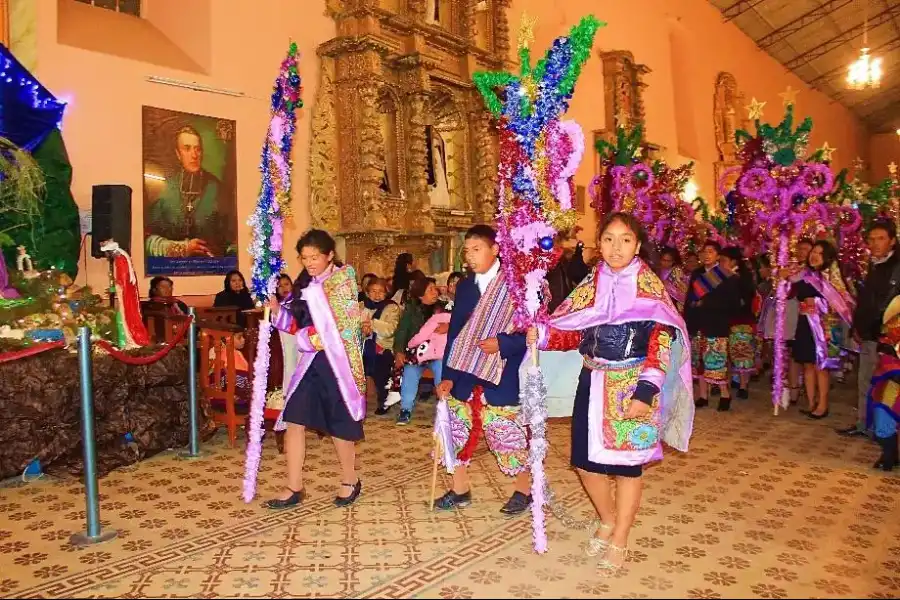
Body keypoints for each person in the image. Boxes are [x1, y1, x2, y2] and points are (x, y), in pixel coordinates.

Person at [528, 212, 694, 575]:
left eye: (625, 240)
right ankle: (606, 518)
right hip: (592, 381)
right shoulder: (592, 282)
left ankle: (620, 536)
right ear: (598, 243)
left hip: (632, 386)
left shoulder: (649, 288)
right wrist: (543, 335)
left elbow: (660, 342)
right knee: (585, 464)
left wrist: (646, 390)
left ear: (637, 246)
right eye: (608, 239)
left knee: (628, 469)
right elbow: (575, 330)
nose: (616, 247)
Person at [433, 224, 532, 515]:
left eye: (477, 249)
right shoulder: (464, 287)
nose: (470, 256)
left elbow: (531, 333)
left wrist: (502, 343)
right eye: (467, 251)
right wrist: (447, 376)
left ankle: (523, 491)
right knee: (455, 430)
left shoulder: (519, 286)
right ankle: (460, 489)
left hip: (502, 372)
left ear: (495, 250)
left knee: (505, 434)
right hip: (464, 370)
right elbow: (455, 334)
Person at [266, 229, 365, 509]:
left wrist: (306, 338)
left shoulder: (343, 280)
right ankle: (294, 486)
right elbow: (294, 320)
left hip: (338, 364)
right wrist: (276, 309)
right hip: (310, 363)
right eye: (304, 258)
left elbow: (344, 328)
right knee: (295, 418)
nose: (309, 263)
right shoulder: (304, 283)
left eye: (315, 257)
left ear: (330, 255)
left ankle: (350, 479)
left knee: (339, 423)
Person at [841, 221, 900, 437]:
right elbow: (866, 301)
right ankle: (864, 424)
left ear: (892, 240)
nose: (875, 243)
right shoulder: (875, 265)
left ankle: (882, 430)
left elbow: (889, 306)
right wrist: (857, 326)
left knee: (884, 384)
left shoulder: (895, 269)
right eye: (872, 239)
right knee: (865, 380)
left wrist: (876, 327)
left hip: (888, 338)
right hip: (868, 334)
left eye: (881, 238)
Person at [787, 240, 854, 419]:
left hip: (824, 327)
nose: (814, 255)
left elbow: (841, 303)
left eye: (820, 253)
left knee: (821, 366)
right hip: (804, 323)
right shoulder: (804, 273)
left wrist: (817, 303)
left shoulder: (831, 276)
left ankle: (823, 404)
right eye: (813, 252)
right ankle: (811, 403)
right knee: (807, 364)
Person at [145, 125, 234, 258]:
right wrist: (182, 248)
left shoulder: (218, 189)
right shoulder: (164, 190)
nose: (194, 155)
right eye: (187, 148)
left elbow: (232, 241)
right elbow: (147, 240)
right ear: (178, 154)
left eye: (197, 149)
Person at [684, 240, 739, 411]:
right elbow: (690, 298)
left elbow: (731, 302)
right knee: (699, 360)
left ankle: (725, 394)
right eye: (704, 251)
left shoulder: (726, 275)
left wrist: (706, 303)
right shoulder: (696, 273)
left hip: (716, 324)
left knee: (716, 361)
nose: (706, 254)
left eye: (710, 251)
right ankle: (703, 395)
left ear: (717, 255)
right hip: (698, 323)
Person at [393, 277, 447, 425]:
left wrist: (448, 327)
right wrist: (399, 351)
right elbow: (402, 332)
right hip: (416, 354)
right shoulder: (411, 310)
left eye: (435, 289)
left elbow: (459, 323)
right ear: (420, 294)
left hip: (437, 353)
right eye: (430, 289)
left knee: (442, 370)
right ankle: (405, 409)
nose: (435, 292)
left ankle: (444, 409)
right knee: (410, 371)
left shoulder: (444, 307)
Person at [865, 295, 900, 470]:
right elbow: (884, 344)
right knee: (882, 414)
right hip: (894, 379)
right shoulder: (895, 315)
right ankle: (889, 452)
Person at [360, 277, 401, 416]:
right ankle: (357, 403)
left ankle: (384, 401)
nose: (377, 295)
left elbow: (390, 329)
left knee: (381, 375)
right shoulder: (361, 306)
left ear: (386, 293)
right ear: (367, 292)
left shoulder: (392, 307)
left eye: (380, 291)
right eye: (373, 291)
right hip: (363, 346)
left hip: (382, 347)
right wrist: (363, 329)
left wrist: (372, 324)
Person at [720, 247, 757, 399]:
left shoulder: (743, 277)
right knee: (725, 353)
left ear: (733, 262)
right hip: (723, 320)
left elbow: (746, 299)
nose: (720, 263)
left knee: (742, 353)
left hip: (741, 320)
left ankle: (743, 385)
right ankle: (727, 382)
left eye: (723, 260)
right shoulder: (718, 276)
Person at [657, 246, 688, 312]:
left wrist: (667, 286)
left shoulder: (677, 271)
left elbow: (682, 290)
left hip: (674, 304)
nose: (665, 263)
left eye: (668, 261)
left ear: (673, 261)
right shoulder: (658, 270)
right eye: (663, 260)